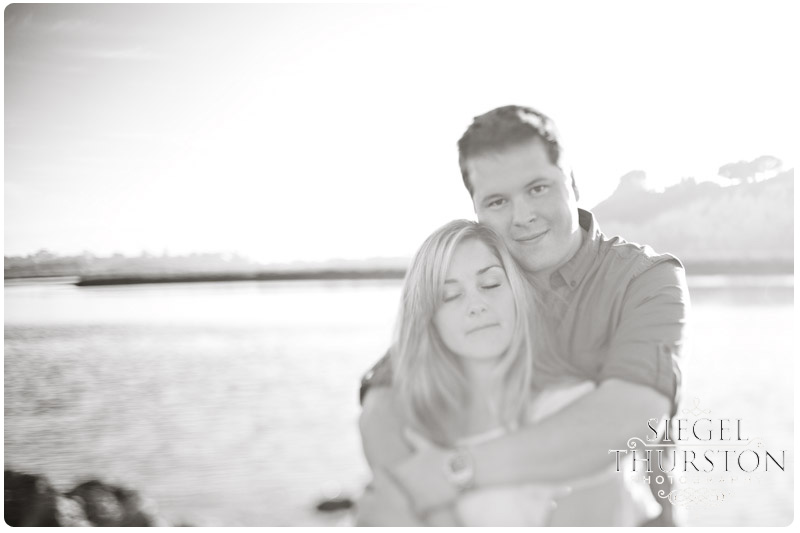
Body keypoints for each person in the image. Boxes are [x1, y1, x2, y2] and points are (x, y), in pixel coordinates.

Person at [358, 105, 689, 525]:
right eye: (497, 201)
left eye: (537, 188)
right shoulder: (481, 276)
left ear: (572, 182)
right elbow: (384, 398)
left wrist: (455, 470)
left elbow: (631, 419)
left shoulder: (644, 279)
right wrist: (421, 505)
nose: (523, 216)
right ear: (476, 208)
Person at [357, 220, 657, 526]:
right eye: (449, 296)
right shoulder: (411, 425)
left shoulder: (574, 413)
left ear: (520, 291)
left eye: (490, 284)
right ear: (428, 318)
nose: (476, 305)